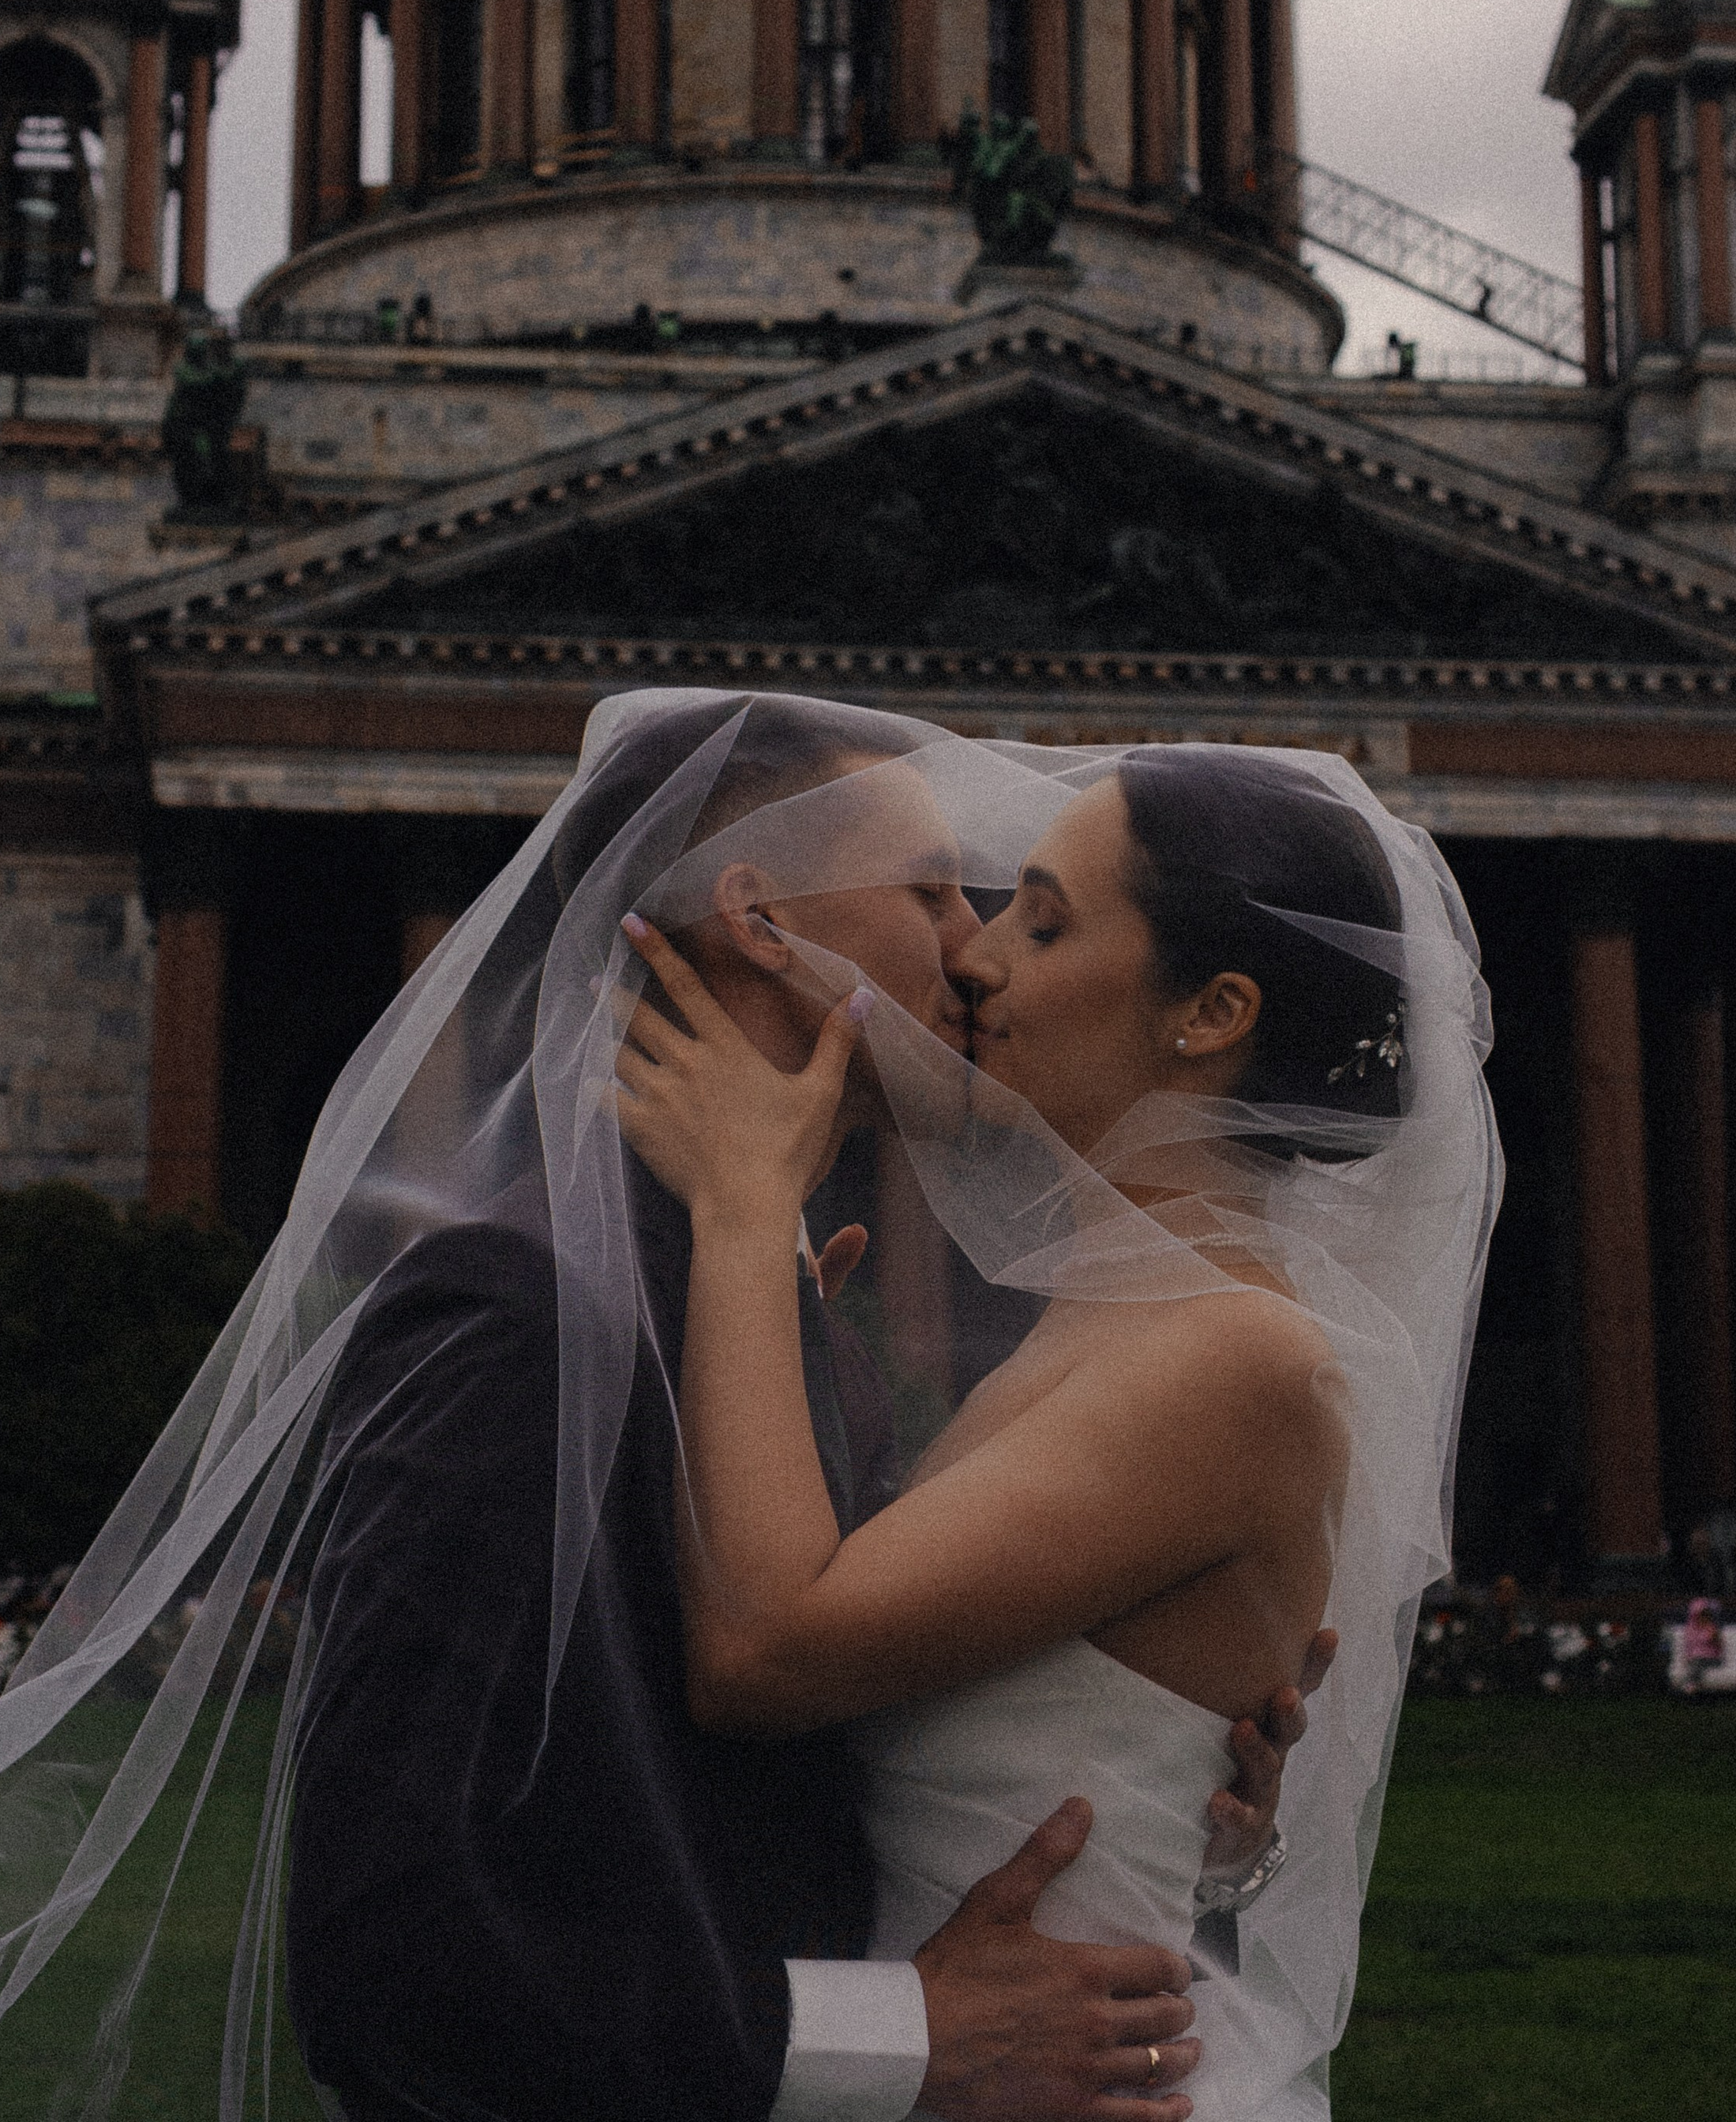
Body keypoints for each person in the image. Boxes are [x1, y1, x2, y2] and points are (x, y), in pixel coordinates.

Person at [0, 694, 1315, 2122]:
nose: (974, 950)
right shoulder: (521, 1311)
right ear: (762, 920)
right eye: (932, 892)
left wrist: (1168, 1776)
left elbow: (792, 1805)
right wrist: (901, 2036)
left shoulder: (781, 1318)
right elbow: (391, 1954)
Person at [615, 739, 1499, 2116]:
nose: (972, 960)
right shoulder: (1112, 1327)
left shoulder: (1236, 1356)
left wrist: (741, 1207)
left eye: (1042, 922)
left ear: (1210, 1014)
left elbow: (763, 1648)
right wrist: (1216, 1839)